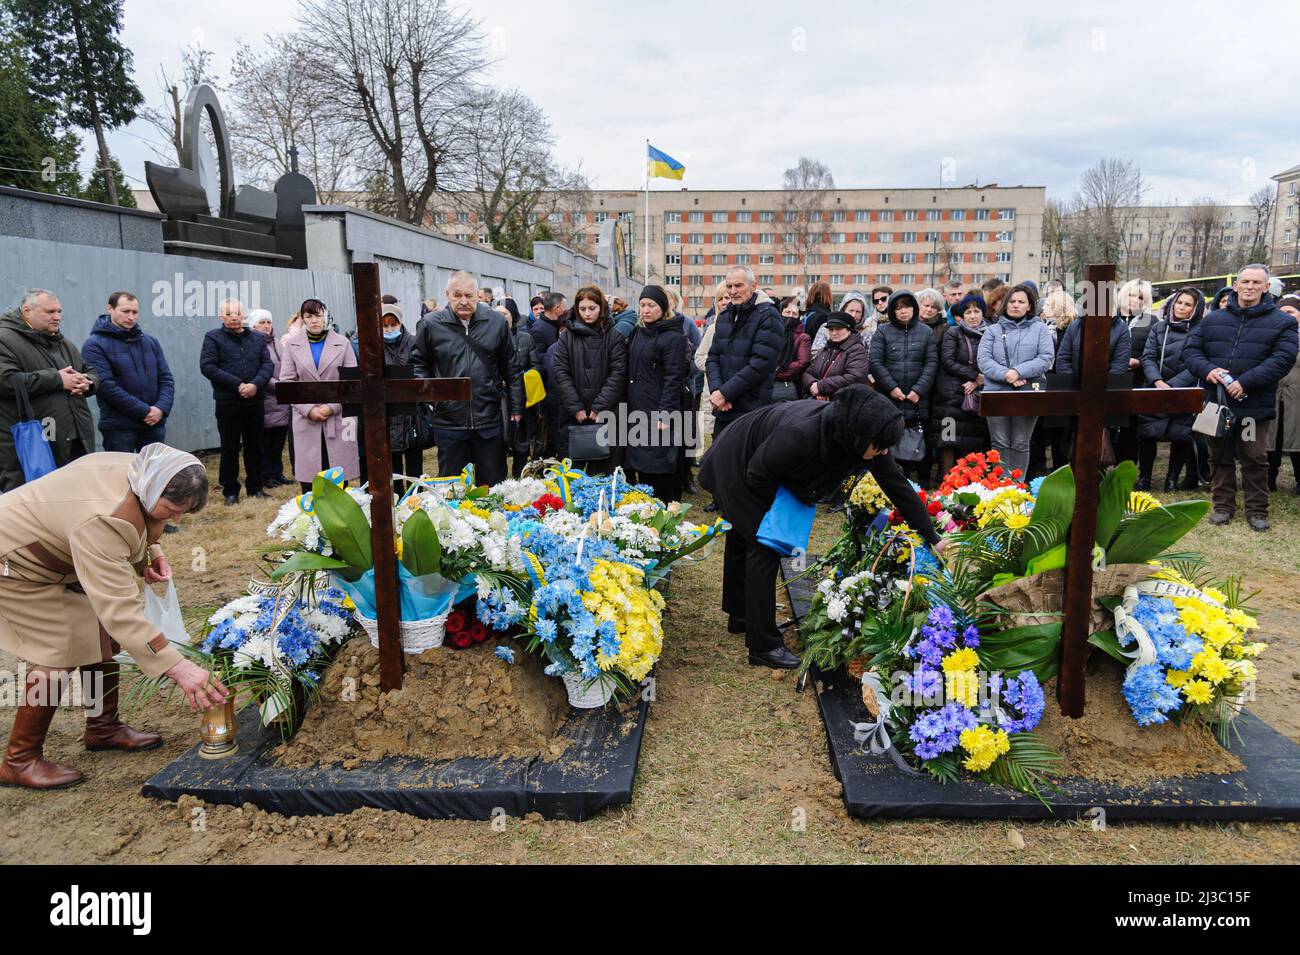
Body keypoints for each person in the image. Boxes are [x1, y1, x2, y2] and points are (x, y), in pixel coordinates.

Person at [0, 445, 224, 789]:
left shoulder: (145, 470)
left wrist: (151, 552)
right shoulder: (100, 519)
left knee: (100, 631)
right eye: (173, 510)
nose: (176, 519)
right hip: (14, 561)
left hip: (55, 549)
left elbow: (140, 519)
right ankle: (20, 759)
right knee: (59, 648)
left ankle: (102, 728)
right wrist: (179, 667)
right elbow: (121, 610)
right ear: (155, 488)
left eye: (185, 512)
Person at [699, 386, 946, 668]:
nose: (885, 451)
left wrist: (932, 536)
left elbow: (896, 483)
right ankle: (762, 646)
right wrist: (777, 514)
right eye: (881, 446)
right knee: (763, 544)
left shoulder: (864, 432)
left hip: (761, 459)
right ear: (860, 436)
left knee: (749, 536)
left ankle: (742, 615)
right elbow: (759, 474)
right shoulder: (802, 434)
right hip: (739, 461)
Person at [1184, 265, 1299, 531]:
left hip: (1252, 407)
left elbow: (1282, 359)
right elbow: (1191, 351)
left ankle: (1257, 510)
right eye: (1245, 281)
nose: (1249, 286)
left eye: (1256, 282)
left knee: (1254, 457)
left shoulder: (1283, 323)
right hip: (1213, 402)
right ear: (1236, 285)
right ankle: (1222, 507)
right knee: (1217, 455)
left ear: (1266, 287)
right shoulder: (1212, 320)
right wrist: (1208, 370)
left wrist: (1245, 382)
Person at [412, 272, 524, 488]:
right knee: (452, 489)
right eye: (457, 295)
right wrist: (432, 399)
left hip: (488, 418)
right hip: (449, 421)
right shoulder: (430, 324)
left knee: (493, 487)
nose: (463, 301)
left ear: (478, 296)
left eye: (469, 296)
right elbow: (418, 364)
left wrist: (517, 408)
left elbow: (512, 368)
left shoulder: (496, 322)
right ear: (447, 294)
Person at [0, 289, 99, 492]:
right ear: (27, 311)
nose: (57, 317)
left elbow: (88, 370)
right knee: (31, 501)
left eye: (59, 311)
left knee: (74, 495)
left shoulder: (59, 340)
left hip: (75, 437)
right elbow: (6, 381)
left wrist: (88, 382)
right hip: (33, 441)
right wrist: (57, 379)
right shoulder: (5, 339)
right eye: (50, 311)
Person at [279, 298, 360, 493]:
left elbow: (351, 382)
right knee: (310, 480)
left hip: (338, 418)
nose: (314, 320)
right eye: (309, 316)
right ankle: (312, 519)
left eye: (318, 315)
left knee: (338, 477)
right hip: (306, 419)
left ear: (326, 317)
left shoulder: (343, 343)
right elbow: (287, 382)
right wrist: (308, 410)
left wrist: (331, 406)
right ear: (303, 320)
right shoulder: (292, 345)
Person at [81, 291, 174, 455]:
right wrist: (145, 411)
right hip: (119, 427)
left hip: (154, 424)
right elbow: (105, 386)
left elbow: (166, 378)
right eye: (125, 311)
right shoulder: (94, 345)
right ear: (110, 309)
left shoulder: (150, 342)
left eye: (135, 312)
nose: (131, 317)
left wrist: (161, 408)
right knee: (120, 477)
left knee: (154, 476)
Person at [977, 283, 1056, 476]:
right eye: (1012, 301)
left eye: (1021, 301)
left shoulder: (1040, 329)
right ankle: (1000, 487)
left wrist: (1018, 372)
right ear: (1005, 304)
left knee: (1021, 442)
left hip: (1028, 391)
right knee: (1000, 442)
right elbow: (984, 360)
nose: (1016, 305)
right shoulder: (993, 331)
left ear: (1029, 306)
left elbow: (1046, 358)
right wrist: (1007, 375)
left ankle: (1017, 488)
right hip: (996, 391)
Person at [199, 298, 273, 505]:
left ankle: (255, 487)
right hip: (228, 402)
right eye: (229, 314)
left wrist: (255, 385)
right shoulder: (213, 338)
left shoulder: (258, 339)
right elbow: (208, 366)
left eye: (237, 313)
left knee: (255, 446)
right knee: (229, 447)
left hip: (255, 400)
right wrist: (238, 385)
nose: (234, 317)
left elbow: (267, 365)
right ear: (221, 316)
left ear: (244, 316)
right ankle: (230, 491)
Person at [552, 286, 627, 474]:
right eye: (582, 309)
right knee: (575, 471)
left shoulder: (614, 336)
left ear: (601, 308)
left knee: (607, 469)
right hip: (573, 413)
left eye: (592, 308)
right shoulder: (567, 337)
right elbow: (561, 372)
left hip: (607, 412)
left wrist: (600, 406)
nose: (587, 313)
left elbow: (618, 373)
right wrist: (575, 406)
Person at [1136, 288, 1204, 491]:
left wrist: (1173, 386)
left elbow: (1198, 362)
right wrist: (1157, 381)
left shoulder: (1201, 330)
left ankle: (1172, 479)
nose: (1181, 307)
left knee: (1181, 435)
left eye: (1187, 304)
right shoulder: (1158, 328)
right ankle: (1144, 478)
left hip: (1184, 389)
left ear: (1195, 308)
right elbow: (1147, 357)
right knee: (1147, 433)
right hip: (1155, 387)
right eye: (1179, 302)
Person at [624, 286, 688, 500]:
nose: (646, 310)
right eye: (642, 305)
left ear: (663, 308)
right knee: (641, 465)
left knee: (660, 465)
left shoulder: (673, 337)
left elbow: (673, 377)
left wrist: (666, 412)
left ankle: (667, 508)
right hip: (637, 408)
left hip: (659, 411)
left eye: (651, 305)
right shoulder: (637, 332)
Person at [705, 267, 784, 438]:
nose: (733, 291)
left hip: (751, 409)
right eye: (729, 286)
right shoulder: (725, 316)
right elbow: (712, 358)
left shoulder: (768, 316)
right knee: (718, 461)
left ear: (754, 285)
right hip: (724, 408)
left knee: (744, 462)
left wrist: (725, 393)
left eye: (738, 286)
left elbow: (760, 364)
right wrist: (717, 391)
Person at [869, 290, 938, 482]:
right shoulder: (883, 330)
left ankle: (922, 482)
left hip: (918, 399)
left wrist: (919, 390)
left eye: (906, 306)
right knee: (890, 437)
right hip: (890, 396)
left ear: (914, 308)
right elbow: (875, 361)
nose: (903, 311)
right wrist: (891, 387)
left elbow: (931, 363)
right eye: (898, 308)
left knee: (920, 437)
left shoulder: (926, 332)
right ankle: (891, 479)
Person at [931, 292, 990, 478]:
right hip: (950, 396)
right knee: (948, 440)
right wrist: (974, 376)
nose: (972, 316)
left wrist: (976, 381)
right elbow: (947, 361)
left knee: (970, 441)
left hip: (975, 396)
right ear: (961, 316)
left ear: (983, 313)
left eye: (976, 311)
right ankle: (945, 483)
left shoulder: (990, 334)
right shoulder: (953, 332)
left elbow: (993, 361)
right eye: (968, 312)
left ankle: (967, 484)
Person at [381, 303, 424, 489]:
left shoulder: (414, 342)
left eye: (393, 325)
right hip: (388, 412)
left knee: (414, 459)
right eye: (385, 326)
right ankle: (397, 497)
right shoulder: (375, 346)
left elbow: (420, 368)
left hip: (411, 412)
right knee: (393, 463)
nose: (390, 329)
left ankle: (417, 495)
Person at [1115, 279, 1157, 465]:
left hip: (1137, 380)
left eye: (1140, 297)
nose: (1134, 300)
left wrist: (1139, 361)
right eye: (1131, 295)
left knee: (1130, 430)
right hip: (1110, 379)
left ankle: (1126, 469)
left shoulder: (1152, 322)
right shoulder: (1109, 318)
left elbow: (1153, 350)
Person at [248, 310, 292, 488]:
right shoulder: (253, 344)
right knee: (265, 442)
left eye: (268, 322)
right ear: (253, 325)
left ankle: (277, 473)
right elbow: (260, 372)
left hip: (281, 400)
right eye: (262, 322)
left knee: (278, 441)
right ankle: (266, 475)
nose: (266, 325)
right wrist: (280, 387)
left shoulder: (277, 343)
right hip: (267, 399)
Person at [497, 298, 539, 478]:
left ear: (513, 315)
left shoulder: (525, 338)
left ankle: (519, 477)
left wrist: (520, 378)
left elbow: (536, 366)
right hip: (498, 398)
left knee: (521, 441)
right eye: (497, 314)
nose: (501, 318)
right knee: (498, 441)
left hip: (522, 397)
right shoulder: (489, 337)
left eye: (504, 314)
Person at [1268, 294, 1300, 494]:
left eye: (1290, 312)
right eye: (1281, 313)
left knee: (1297, 438)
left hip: (1297, 397)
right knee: (1272, 439)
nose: (1285, 317)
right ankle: (1269, 478)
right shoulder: (1271, 335)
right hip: (1274, 394)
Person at [802, 311, 869, 400]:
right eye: (831, 329)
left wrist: (821, 387)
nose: (834, 333)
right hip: (818, 401)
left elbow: (854, 377)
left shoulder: (857, 350)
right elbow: (808, 373)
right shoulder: (825, 350)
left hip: (843, 403)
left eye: (838, 329)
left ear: (849, 330)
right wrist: (813, 385)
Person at [773, 296, 811, 401]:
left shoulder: (803, 337)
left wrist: (778, 370)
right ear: (781, 312)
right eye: (787, 312)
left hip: (790, 385)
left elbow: (803, 362)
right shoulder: (772, 332)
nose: (791, 316)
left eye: (794, 314)